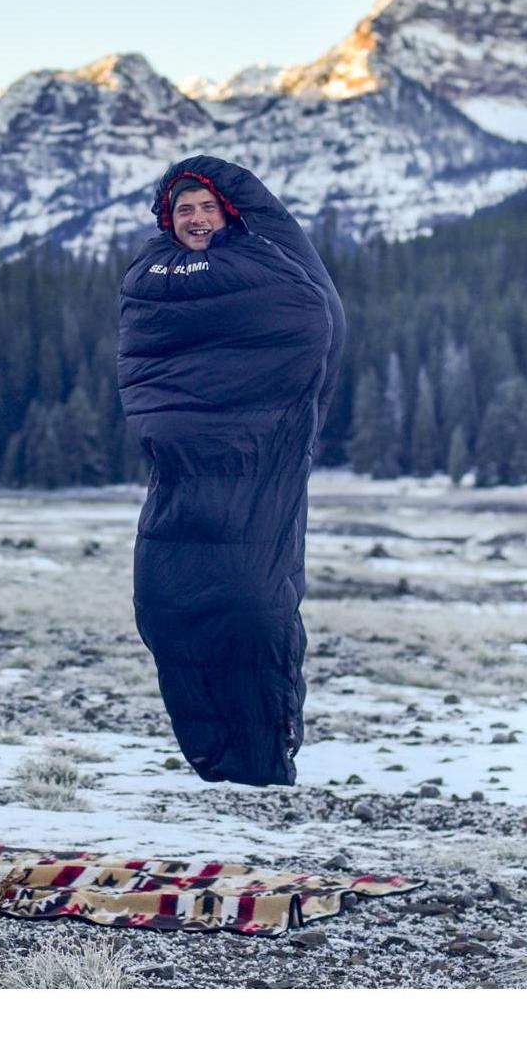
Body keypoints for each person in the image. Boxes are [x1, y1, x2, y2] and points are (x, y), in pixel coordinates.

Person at [117, 157, 345, 786]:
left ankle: (264, 756)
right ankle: (213, 754)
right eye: (183, 210)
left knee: (250, 608)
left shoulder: (268, 264)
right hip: (181, 474)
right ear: (169, 219)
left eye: (206, 208)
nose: (195, 219)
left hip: (256, 469)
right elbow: (146, 353)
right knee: (165, 604)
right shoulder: (151, 273)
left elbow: (313, 321)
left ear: (230, 212)